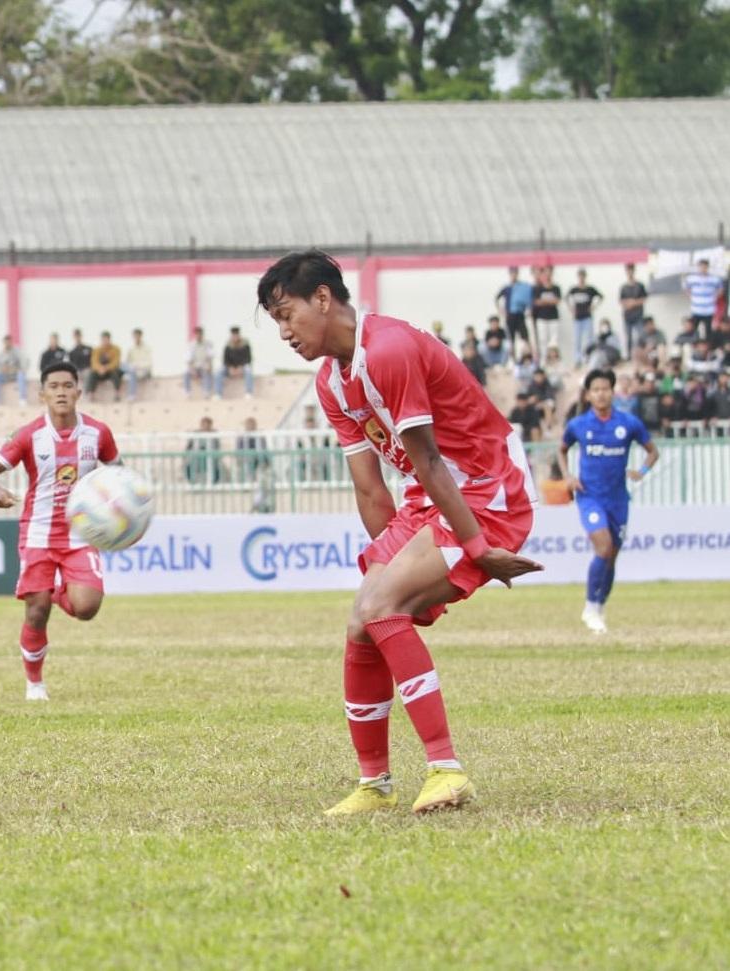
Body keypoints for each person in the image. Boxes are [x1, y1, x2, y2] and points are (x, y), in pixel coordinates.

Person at [258, 250, 542, 817]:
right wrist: (398, 564)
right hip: (430, 498)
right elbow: (371, 491)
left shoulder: (386, 350)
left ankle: (446, 770)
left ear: (322, 297)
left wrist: (478, 551)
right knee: (364, 618)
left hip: (486, 488)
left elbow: (433, 461)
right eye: (276, 322)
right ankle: (374, 784)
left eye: (287, 315)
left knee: (382, 604)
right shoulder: (330, 383)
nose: (284, 332)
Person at [0, 361, 118, 702]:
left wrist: (122, 509)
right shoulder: (29, 435)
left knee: (86, 608)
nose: (61, 392)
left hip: (80, 535)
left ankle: (57, 590)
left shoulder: (98, 433)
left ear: (78, 392)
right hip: (38, 532)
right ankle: (35, 684)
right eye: (53, 386)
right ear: (42, 394)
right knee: (37, 610)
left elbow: (118, 474)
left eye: (67, 385)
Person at [558, 368, 659, 634]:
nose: (601, 394)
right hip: (589, 497)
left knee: (612, 556)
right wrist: (568, 476)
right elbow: (561, 449)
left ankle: (600, 605)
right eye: (596, 390)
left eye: (605, 389)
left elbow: (652, 451)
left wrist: (642, 472)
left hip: (618, 499)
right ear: (588, 395)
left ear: (612, 392)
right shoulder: (578, 425)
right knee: (602, 547)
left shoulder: (628, 423)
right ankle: (590, 607)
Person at [495, 267, 534, 364]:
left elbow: (529, 300)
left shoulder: (523, 287)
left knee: (525, 337)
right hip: (510, 316)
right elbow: (497, 298)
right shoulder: (507, 288)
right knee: (511, 339)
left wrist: (529, 309)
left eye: (515, 273)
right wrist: (501, 310)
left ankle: (529, 358)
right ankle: (513, 360)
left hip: (520, 315)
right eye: (512, 273)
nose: (514, 275)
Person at [566, 268, 602, 360]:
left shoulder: (590, 289)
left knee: (589, 339)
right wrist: (571, 309)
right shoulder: (574, 289)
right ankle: (577, 358)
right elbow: (566, 298)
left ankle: (589, 357)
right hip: (578, 317)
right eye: (580, 276)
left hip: (587, 317)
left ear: (585, 277)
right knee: (577, 339)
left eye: (583, 276)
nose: (581, 278)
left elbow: (601, 296)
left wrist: (594, 307)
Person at [683, 258, 723, 341]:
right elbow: (686, 289)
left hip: (709, 309)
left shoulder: (714, 279)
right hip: (696, 308)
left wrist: (714, 297)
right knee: (694, 330)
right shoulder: (692, 278)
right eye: (701, 267)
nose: (703, 269)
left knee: (709, 331)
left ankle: (708, 347)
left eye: (704, 267)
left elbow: (721, 289)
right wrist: (692, 297)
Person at [531, 265, 562, 362]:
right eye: (546, 272)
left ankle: (554, 360)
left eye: (550, 272)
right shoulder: (538, 288)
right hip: (542, 318)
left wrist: (544, 301)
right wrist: (549, 301)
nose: (548, 275)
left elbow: (557, 301)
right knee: (542, 340)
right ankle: (543, 361)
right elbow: (536, 302)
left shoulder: (556, 288)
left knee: (554, 341)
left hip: (553, 317)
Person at [618, 263, 647, 355]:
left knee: (641, 336)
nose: (629, 272)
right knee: (629, 337)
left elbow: (643, 299)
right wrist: (628, 304)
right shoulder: (624, 287)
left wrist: (633, 303)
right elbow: (621, 301)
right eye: (628, 270)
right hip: (627, 316)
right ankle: (630, 356)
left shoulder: (640, 285)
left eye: (631, 270)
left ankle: (642, 354)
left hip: (638, 315)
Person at [217, 327, 254, 398]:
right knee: (219, 371)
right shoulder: (228, 345)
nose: (235, 337)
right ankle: (218, 394)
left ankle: (248, 393)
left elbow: (248, 358)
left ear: (239, 335)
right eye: (233, 335)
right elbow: (225, 360)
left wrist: (240, 367)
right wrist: (230, 368)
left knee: (248, 370)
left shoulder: (245, 344)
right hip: (230, 369)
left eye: (236, 335)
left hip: (242, 368)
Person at [0, 335, 26, 404]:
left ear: (11, 342)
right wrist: (2, 369)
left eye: (9, 342)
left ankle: (22, 399)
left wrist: (15, 369)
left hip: (14, 374)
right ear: (3, 343)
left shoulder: (17, 352)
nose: (7, 344)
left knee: (21, 375)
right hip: (4, 375)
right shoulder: (0, 354)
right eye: (6, 342)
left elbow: (24, 363)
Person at [124, 328, 153, 401]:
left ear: (141, 336)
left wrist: (137, 366)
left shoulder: (147, 348)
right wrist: (132, 367)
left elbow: (149, 363)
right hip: (134, 371)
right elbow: (128, 362)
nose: (136, 338)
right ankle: (131, 395)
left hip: (145, 371)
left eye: (137, 336)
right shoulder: (131, 349)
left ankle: (132, 395)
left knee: (133, 371)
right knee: (127, 368)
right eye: (134, 336)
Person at [185, 328, 214, 398]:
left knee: (207, 372)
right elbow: (189, 359)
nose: (198, 336)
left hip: (204, 367)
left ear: (202, 334)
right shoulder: (191, 345)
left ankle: (206, 392)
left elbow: (210, 357)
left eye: (200, 334)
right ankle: (187, 393)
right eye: (197, 334)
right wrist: (192, 370)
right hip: (195, 367)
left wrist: (209, 367)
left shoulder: (208, 344)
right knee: (186, 373)